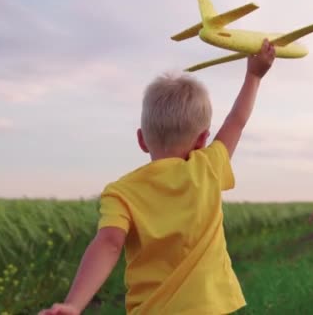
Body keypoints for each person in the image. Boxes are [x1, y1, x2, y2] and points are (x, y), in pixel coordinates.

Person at [39, 39, 276, 315]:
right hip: (209, 308)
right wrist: (254, 75)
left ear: (141, 139)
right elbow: (237, 121)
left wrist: (73, 304)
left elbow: (108, 243)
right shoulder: (208, 167)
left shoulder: (121, 192)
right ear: (202, 140)